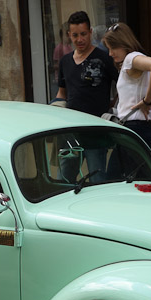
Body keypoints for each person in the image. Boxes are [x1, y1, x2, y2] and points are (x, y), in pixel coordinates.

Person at [54, 11, 118, 182]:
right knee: (63, 181)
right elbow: (62, 92)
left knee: (98, 180)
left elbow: (122, 85)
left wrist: (114, 108)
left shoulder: (104, 58)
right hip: (70, 132)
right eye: (75, 35)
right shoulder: (65, 61)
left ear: (90, 32)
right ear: (69, 35)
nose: (79, 39)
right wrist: (55, 109)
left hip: (95, 131)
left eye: (83, 34)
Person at [102, 22, 151, 148]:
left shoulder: (130, 59)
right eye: (109, 49)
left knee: (117, 168)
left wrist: (147, 101)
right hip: (140, 128)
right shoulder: (135, 61)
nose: (110, 53)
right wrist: (145, 100)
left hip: (133, 128)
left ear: (124, 43)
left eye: (113, 48)